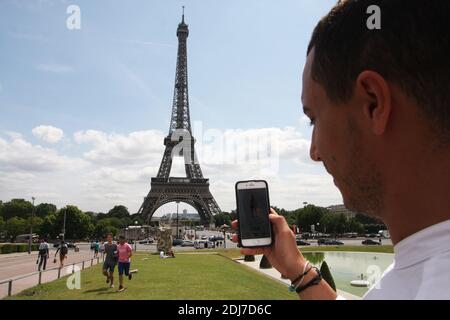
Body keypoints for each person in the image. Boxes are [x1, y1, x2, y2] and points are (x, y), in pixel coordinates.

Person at [232, 0, 450, 300]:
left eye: (313, 120)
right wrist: (298, 269)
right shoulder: (428, 265)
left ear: (373, 104)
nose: (314, 152)